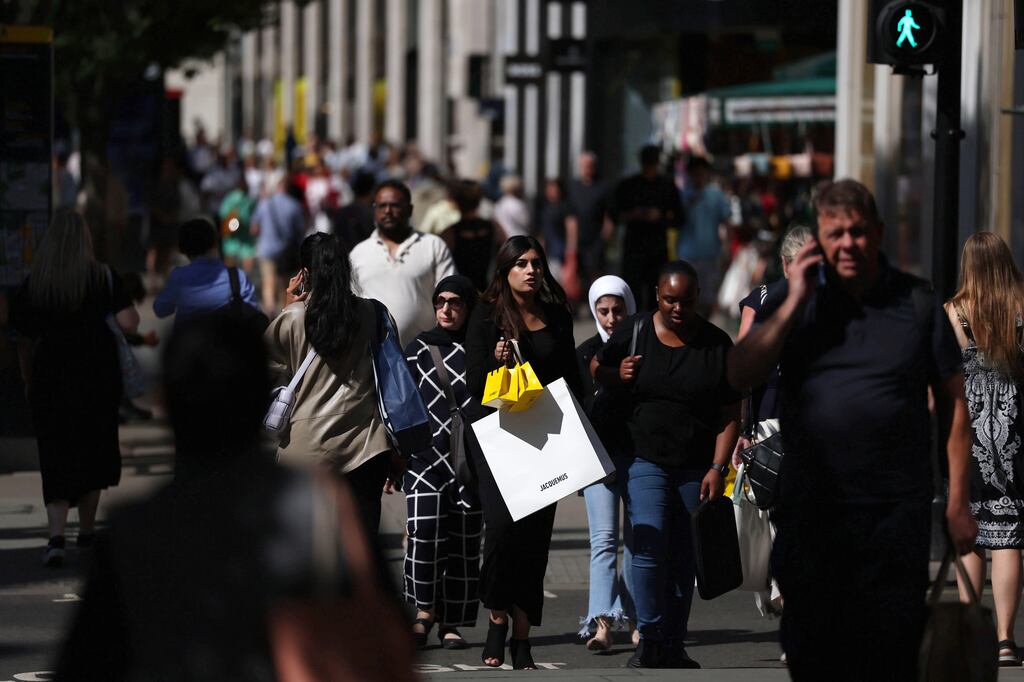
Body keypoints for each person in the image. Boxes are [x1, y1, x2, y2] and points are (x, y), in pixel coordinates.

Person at [54, 314, 414, 682]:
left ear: (166, 404)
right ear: (261, 398)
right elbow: (390, 647)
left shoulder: (132, 533)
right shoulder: (324, 511)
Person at [727, 179, 977, 681]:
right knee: (815, 654)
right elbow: (739, 373)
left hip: (892, 520)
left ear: (879, 233)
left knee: (889, 658)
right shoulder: (793, 303)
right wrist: (795, 298)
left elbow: (954, 403)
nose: (848, 243)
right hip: (813, 518)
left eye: (859, 232)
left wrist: (957, 501)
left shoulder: (916, 303)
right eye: (835, 233)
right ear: (819, 236)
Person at [595, 260, 741, 669]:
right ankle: (651, 636)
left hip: (697, 466)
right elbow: (595, 366)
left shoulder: (716, 344)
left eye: (687, 300)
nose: (678, 308)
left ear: (698, 298)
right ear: (657, 296)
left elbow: (730, 411)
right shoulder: (636, 330)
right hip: (644, 458)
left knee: (682, 555)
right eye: (669, 299)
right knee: (648, 542)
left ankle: (674, 642)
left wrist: (717, 468)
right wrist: (616, 372)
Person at [465, 235, 583, 670]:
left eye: (536, 262)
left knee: (534, 542)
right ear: (505, 271)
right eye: (521, 264)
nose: (530, 270)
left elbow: (571, 380)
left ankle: (521, 637)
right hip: (497, 436)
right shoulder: (486, 316)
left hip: (544, 438)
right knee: (499, 532)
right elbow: (474, 384)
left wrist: (581, 444)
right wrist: (497, 361)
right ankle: (496, 616)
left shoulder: (555, 315)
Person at [10, 210, 139, 567]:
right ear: (85, 238)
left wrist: (27, 378)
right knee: (92, 449)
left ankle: (55, 538)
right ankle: (86, 531)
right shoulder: (102, 277)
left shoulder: (38, 280)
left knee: (56, 453)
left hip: (51, 376)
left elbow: (23, 338)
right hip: (97, 377)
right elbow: (129, 321)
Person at [264, 232, 395, 534]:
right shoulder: (373, 313)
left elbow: (265, 371)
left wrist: (286, 308)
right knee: (360, 551)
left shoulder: (293, 318)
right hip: (367, 447)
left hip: (305, 450)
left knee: (307, 553)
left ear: (305, 274)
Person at [946, 232, 1024, 667]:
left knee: (970, 529)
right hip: (1014, 426)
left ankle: (970, 633)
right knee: (1009, 532)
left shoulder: (954, 311)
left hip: (971, 425)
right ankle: (1006, 640)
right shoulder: (1021, 306)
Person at [397, 275, 483, 650]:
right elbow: (399, 406)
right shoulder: (416, 349)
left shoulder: (483, 350)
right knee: (424, 534)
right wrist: (394, 458)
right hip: (424, 458)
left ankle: (452, 622)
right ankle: (423, 612)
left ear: (469, 307)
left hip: (472, 460)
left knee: (464, 541)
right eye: (441, 302)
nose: (447, 309)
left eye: (456, 302)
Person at [576, 275, 638, 652]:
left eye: (618, 309)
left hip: (636, 456)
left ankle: (636, 620)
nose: (612, 317)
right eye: (603, 310)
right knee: (603, 542)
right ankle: (601, 623)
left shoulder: (641, 345)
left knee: (636, 542)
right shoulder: (584, 353)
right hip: (596, 458)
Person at [350, 180, 456, 347]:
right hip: (373, 360)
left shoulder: (433, 246)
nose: (388, 211)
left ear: (410, 209)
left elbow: (450, 298)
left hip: (424, 357)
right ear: (374, 210)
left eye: (395, 205)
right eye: (382, 206)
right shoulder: (358, 253)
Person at [610, 145, 685, 311]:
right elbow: (615, 213)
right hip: (634, 247)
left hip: (657, 248)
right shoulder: (628, 186)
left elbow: (679, 218)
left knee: (656, 293)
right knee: (632, 293)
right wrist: (633, 215)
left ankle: (653, 329)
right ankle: (635, 328)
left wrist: (660, 217)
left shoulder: (666, 186)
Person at [153, 218, 260, 325]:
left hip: (189, 339)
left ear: (183, 248)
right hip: (227, 339)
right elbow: (253, 310)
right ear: (214, 243)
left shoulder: (178, 277)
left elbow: (160, 310)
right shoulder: (237, 276)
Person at [678, 156, 733, 315]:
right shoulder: (682, 195)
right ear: (689, 174)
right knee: (687, 296)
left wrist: (727, 248)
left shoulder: (716, 195)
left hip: (710, 254)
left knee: (707, 298)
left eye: (701, 173)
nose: (699, 177)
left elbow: (727, 222)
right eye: (695, 173)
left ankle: (703, 331)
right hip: (687, 255)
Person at [252, 169, 306, 314]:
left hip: (266, 249)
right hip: (286, 251)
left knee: (268, 282)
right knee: (285, 284)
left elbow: (254, 228)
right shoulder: (294, 205)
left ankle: (269, 310)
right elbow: (300, 230)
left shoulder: (264, 204)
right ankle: (284, 312)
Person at [440, 180, 507, 292]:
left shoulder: (450, 233)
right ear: (479, 201)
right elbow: (507, 251)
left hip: (461, 293)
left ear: (457, 202)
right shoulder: (493, 227)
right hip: (487, 289)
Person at [567, 152, 613, 290]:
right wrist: (571, 244)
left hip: (596, 239)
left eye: (589, 165)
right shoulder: (573, 186)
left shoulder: (603, 187)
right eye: (584, 166)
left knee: (596, 275)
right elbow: (570, 217)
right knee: (578, 275)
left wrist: (604, 239)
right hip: (578, 239)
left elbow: (609, 216)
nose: (587, 168)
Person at [218, 176, 258, 273]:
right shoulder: (249, 199)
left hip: (231, 242)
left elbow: (221, 214)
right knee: (247, 272)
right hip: (245, 240)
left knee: (231, 272)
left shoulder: (229, 198)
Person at [494, 174, 531, 239]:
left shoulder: (500, 203)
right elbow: (526, 222)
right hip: (519, 238)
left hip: (504, 238)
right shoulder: (518, 204)